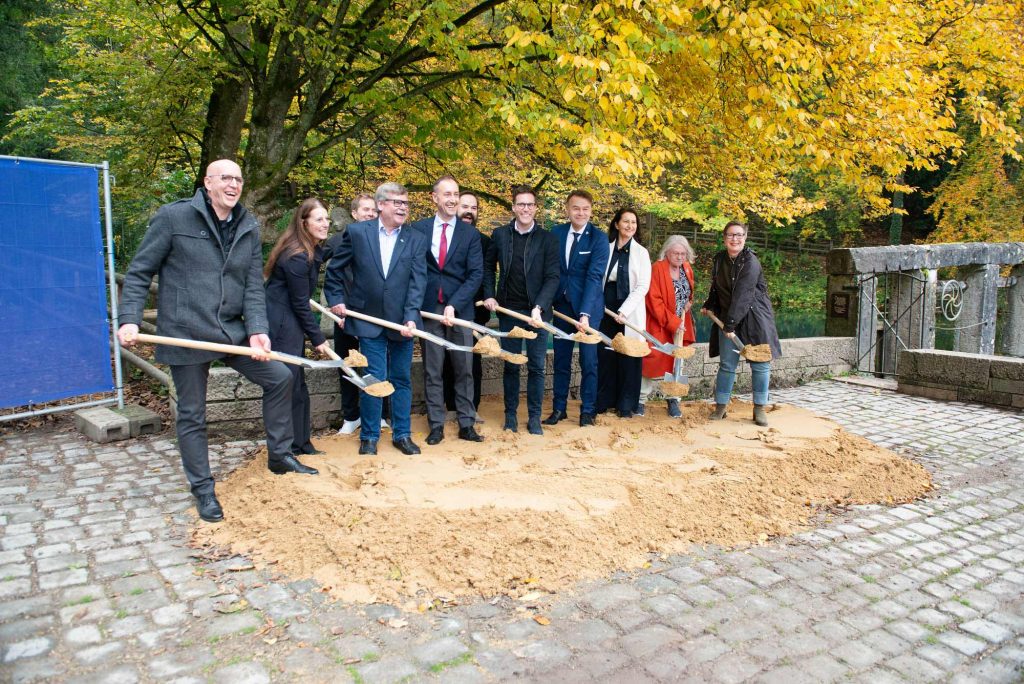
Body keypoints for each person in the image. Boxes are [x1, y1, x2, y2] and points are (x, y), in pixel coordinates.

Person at [118, 159, 316, 525]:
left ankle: (279, 454)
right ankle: (203, 488)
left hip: (230, 331)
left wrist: (258, 328)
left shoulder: (248, 224)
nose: (233, 184)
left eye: (239, 178)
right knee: (193, 414)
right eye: (225, 177)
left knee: (280, 378)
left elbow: (253, 285)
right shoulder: (174, 218)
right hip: (185, 333)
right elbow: (140, 271)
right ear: (207, 182)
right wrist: (129, 318)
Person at [324, 182, 427, 455]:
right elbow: (335, 271)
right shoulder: (357, 233)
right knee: (373, 377)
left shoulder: (415, 238)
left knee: (401, 378)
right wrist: (336, 300)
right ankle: (369, 436)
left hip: (401, 323)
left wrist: (411, 317)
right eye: (397, 202)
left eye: (405, 203)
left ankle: (402, 434)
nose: (403, 207)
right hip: (367, 320)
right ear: (381, 205)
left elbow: (418, 283)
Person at [410, 176, 484, 445]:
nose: (453, 199)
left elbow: (476, 275)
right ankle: (436, 425)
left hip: (460, 310)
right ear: (435, 198)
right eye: (447, 194)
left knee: (464, 368)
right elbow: (414, 270)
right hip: (429, 311)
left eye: (456, 194)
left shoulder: (471, 234)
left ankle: (466, 422)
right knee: (433, 369)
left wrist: (455, 304)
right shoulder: (418, 229)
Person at [482, 185, 560, 435]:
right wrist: (490, 296)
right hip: (508, 312)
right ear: (514, 207)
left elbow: (552, 277)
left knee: (537, 366)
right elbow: (487, 268)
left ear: (536, 208)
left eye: (530, 204)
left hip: (537, 313)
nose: (526, 209)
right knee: (512, 364)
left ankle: (535, 417)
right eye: (521, 204)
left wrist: (539, 307)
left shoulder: (548, 239)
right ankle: (510, 416)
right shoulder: (500, 234)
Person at [264, 198, 333, 457]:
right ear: (303, 223)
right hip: (281, 325)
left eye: (326, 219)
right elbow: (300, 303)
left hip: (290, 321)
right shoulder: (296, 256)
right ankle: (289, 446)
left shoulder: (309, 250)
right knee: (289, 386)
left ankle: (302, 443)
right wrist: (318, 338)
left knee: (299, 386)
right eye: (319, 219)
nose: (325, 224)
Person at [700, 221, 782, 426]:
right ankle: (721, 406)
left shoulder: (751, 262)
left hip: (755, 319)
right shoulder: (720, 259)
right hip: (728, 318)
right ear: (724, 237)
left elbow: (743, 296)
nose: (734, 239)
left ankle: (759, 408)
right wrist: (710, 304)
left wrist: (730, 325)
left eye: (739, 235)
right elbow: (716, 287)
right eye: (730, 235)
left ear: (745, 237)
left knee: (760, 365)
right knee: (727, 365)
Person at [323, 193, 388, 436]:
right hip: (345, 317)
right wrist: (336, 304)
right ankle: (351, 416)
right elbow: (322, 268)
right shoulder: (338, 240)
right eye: (365, 210)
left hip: (375, 318)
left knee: (377, 366)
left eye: (374, 210)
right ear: (354, 213)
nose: (370, 214)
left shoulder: (383, 239)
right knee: (347, 366)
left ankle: (379, 414)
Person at [545, 190, 609, 427]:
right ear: (567, 210)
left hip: (588, 310)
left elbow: (594, 277)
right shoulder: (556, 233)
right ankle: (559, 408)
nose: (580, 213)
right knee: (561, 360)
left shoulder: (599, 239)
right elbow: (552, 270)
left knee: (589, 361)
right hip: (561, 307)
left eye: (585, 209)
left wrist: (585, 314)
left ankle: (587, 411)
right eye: (576, 208)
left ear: (591, 211)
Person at [595, 208, 651, 418]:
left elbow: (643, 286)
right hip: (604, 307)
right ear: (617, 224)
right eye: (625, 221)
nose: (630, 226)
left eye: (633, 222)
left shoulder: (641, 252)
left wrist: (624, 311)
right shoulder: (605, 248)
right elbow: (597, 278)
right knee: (606, 354)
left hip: (630, 308)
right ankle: (604, 400)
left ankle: (626, 405)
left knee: (629, 356)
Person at [442, 191, 491, 417]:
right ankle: (451, 406)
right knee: (447, 358)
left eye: (474, 208)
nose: (469, 212)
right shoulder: (444, 236)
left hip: (475, 310)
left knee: (472, 361)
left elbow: (487, 275)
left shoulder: (484, 241)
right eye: (465, 206)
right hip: (445, 307)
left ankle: (472, 407)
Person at [641, 235, 697, 417]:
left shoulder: (687, 269)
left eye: (683, 254)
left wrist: (689, 303)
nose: (680, 257)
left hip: (681, 323)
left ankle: (673, 399)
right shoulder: (657, 269)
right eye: (676, 253)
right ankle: (641, 399)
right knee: (651, 359)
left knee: (677, 362)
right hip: (660, 322)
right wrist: (672, 323)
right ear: (667, 252)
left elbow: (689, 291)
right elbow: (653, 300)